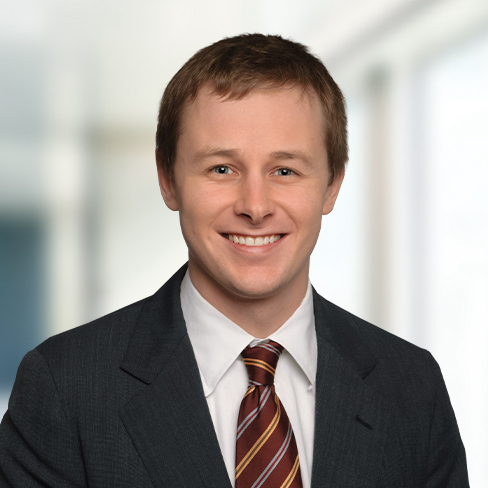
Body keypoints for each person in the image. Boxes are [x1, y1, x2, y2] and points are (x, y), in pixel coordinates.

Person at [0, 34, 468, 488]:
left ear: (332, 185)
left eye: (285, 170)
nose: (256, 206)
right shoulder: (64, 387)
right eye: (221, 169)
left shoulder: (412, 387)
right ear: (168, 179)